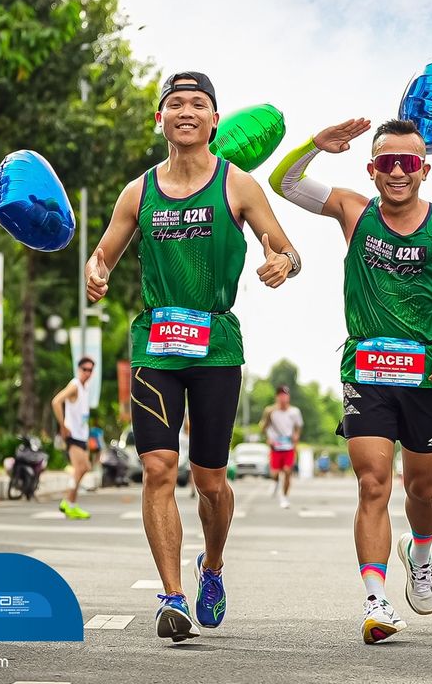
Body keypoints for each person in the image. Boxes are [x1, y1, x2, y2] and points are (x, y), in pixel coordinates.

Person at [85, 72, 301, 642]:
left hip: (215, 349)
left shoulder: (240, 185)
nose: (185, 112)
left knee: (210, 479)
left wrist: (283, 263)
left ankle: (212, 566)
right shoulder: (138, 191)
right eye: (174, 104)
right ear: (160, 120)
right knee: (157, 467)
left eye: (197, 105)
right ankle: (172, 595)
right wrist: (96, 271)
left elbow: (285, 248)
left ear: (213, 120)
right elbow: (104, 252)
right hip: (155, 345)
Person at [270, 117, 432, 644]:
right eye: (388, 163)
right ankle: (376, 601)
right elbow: (283, 182)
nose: (398, 172)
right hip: (366, 372)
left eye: (409, 162)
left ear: (425, 169)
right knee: (373, 483)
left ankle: (419, 552)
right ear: (372, 169)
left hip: (425, 377)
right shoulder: (354, 210)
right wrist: (314, 146)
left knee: (421, 486)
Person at [51, 356, 97, 519]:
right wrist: (63, 425)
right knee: (80, 468)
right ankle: (69, 503)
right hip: (73, 435)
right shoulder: (75, 386)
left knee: (85, 467)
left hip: (81, 435)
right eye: (85, 369)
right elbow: (56, 402)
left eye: (90, 370)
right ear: (79, 370)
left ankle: (69, 502)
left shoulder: (85, 388)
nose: (88, 373)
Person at [261, 385, 304, 508]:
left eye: (285, 395)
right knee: (275, 473)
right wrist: (268, 439)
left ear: (288, 397)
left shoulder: (294, 412)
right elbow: (263, 427)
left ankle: (284, 497)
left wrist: (296, 437)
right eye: (280, 395)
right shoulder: (270, 411)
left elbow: (298, 427)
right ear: (277, 397)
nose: (283, 397)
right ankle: (274, 482)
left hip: (289, 446)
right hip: (275, 446)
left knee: (287, 471)